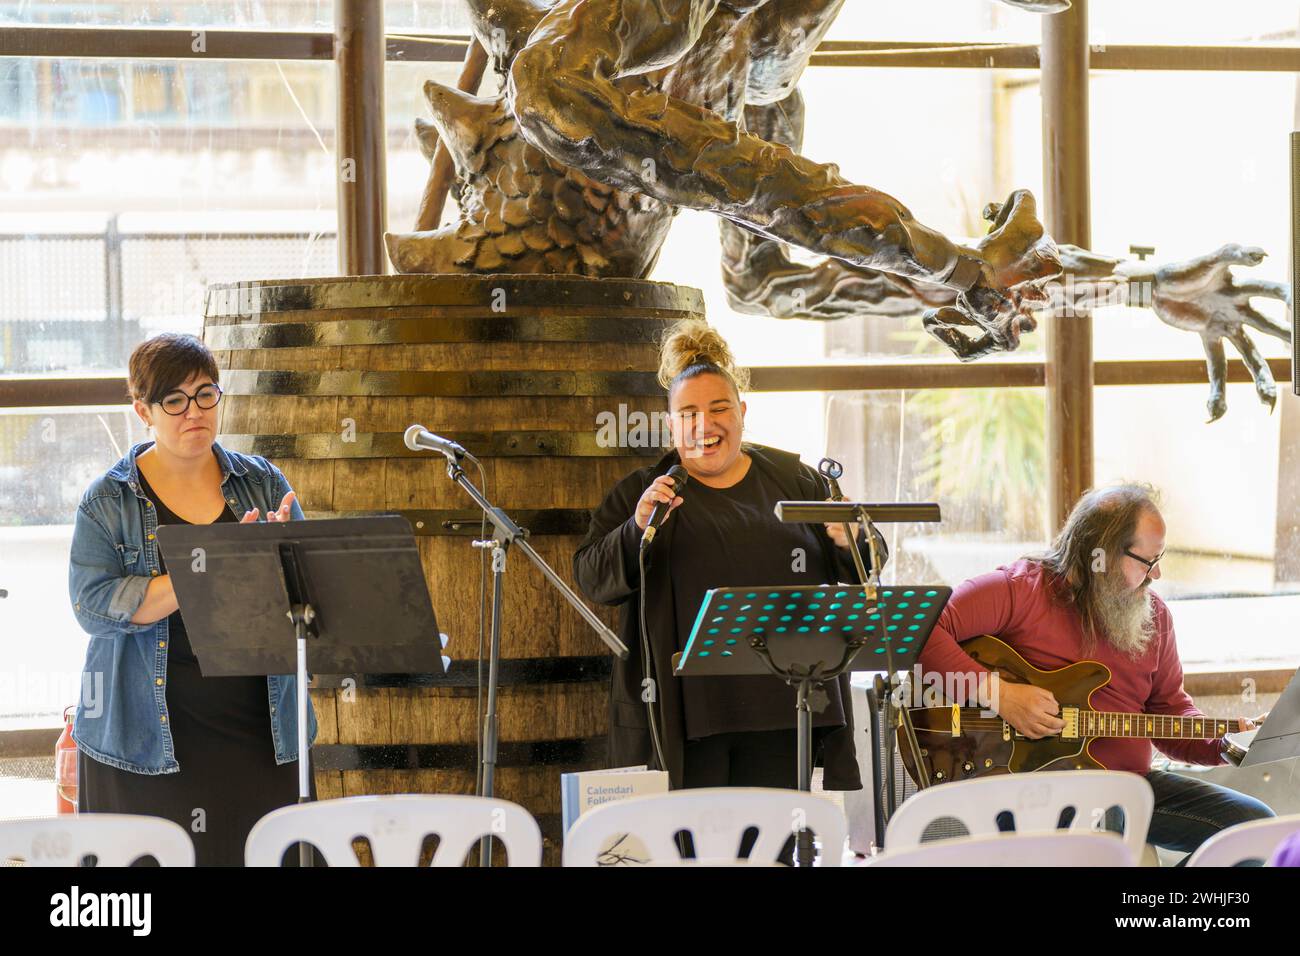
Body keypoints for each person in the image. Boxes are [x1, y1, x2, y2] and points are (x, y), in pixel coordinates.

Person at [573, 319, 885, 804]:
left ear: (741, 411)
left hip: (789, 711)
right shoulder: (643, 492)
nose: (704, 425)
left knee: (778, 845)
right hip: (690, 720)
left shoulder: (796, 480)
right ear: (671, 423)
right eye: (688, 413)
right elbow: (592, 578)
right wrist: (636, 528)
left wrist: (853, 539)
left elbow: (869, 559)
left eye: (719, 409)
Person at [917, 483, 1273, 861]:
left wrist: (1230, 742)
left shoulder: (1155, 618)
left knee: (1256, 828)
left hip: (1132, 787)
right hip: (1033, 791)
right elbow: (921, 635)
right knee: (1107, 816)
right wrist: (999, 695)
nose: (1157, 573)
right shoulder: (1020, 590)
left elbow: (1170, 714)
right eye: (1147, 561)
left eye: (1159, 558)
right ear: (1097, 552)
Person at [69, 332, 317, 866]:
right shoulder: (108, 499)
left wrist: (284, 564)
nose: (193, 412)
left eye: (206, 394)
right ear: (143, 410)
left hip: (262, 731)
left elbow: (311, 602)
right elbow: (92, 606)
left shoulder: (264, 483)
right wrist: (207, 570)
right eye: (174, 401)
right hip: (140, 739)